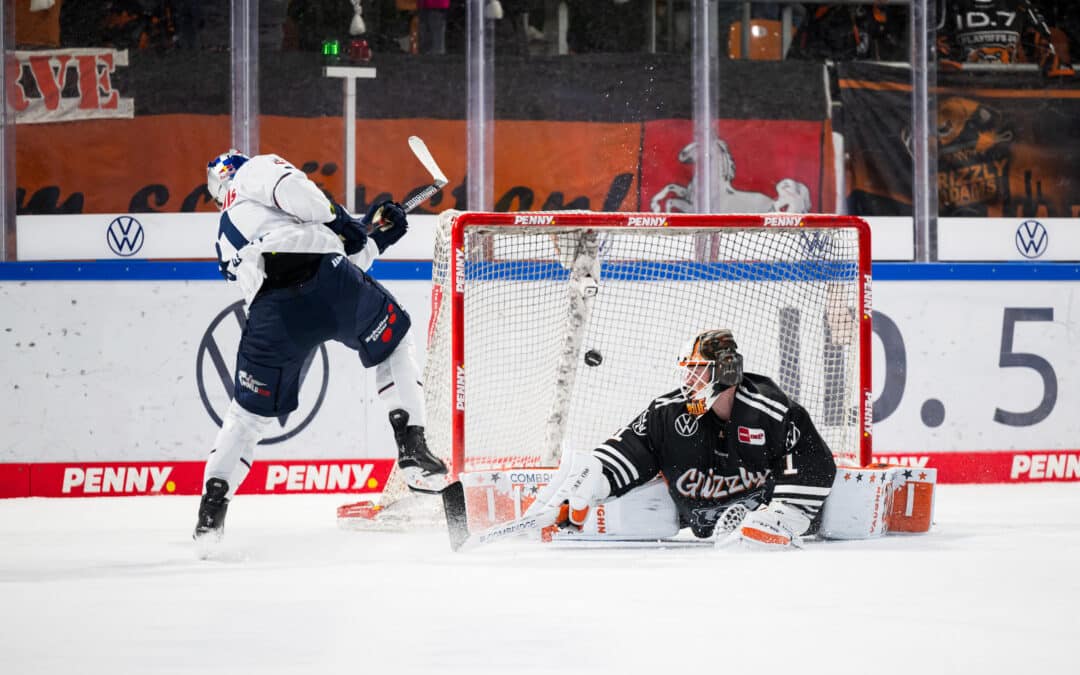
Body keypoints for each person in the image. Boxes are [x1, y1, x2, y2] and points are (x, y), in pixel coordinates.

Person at [193, 149, 448, 541]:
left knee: (246, 417)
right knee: (393, 341)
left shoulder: (226, 237)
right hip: (328, 283)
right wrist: (346, 222)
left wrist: (375, 237)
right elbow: (303, 200)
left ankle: (212, 510)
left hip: (272, 315)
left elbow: (312, 249)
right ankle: (411, 444)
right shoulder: (254, 172)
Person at [524, 329, 837, 549]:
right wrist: (597, 477)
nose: (688, 380)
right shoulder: (669, 414)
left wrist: (789, 511)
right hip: (705, 540)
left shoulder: (768, 410)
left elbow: (813, 457)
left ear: (726, 372)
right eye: (686, 370)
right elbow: (632, 449)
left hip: (756, 545)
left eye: (697, 370)